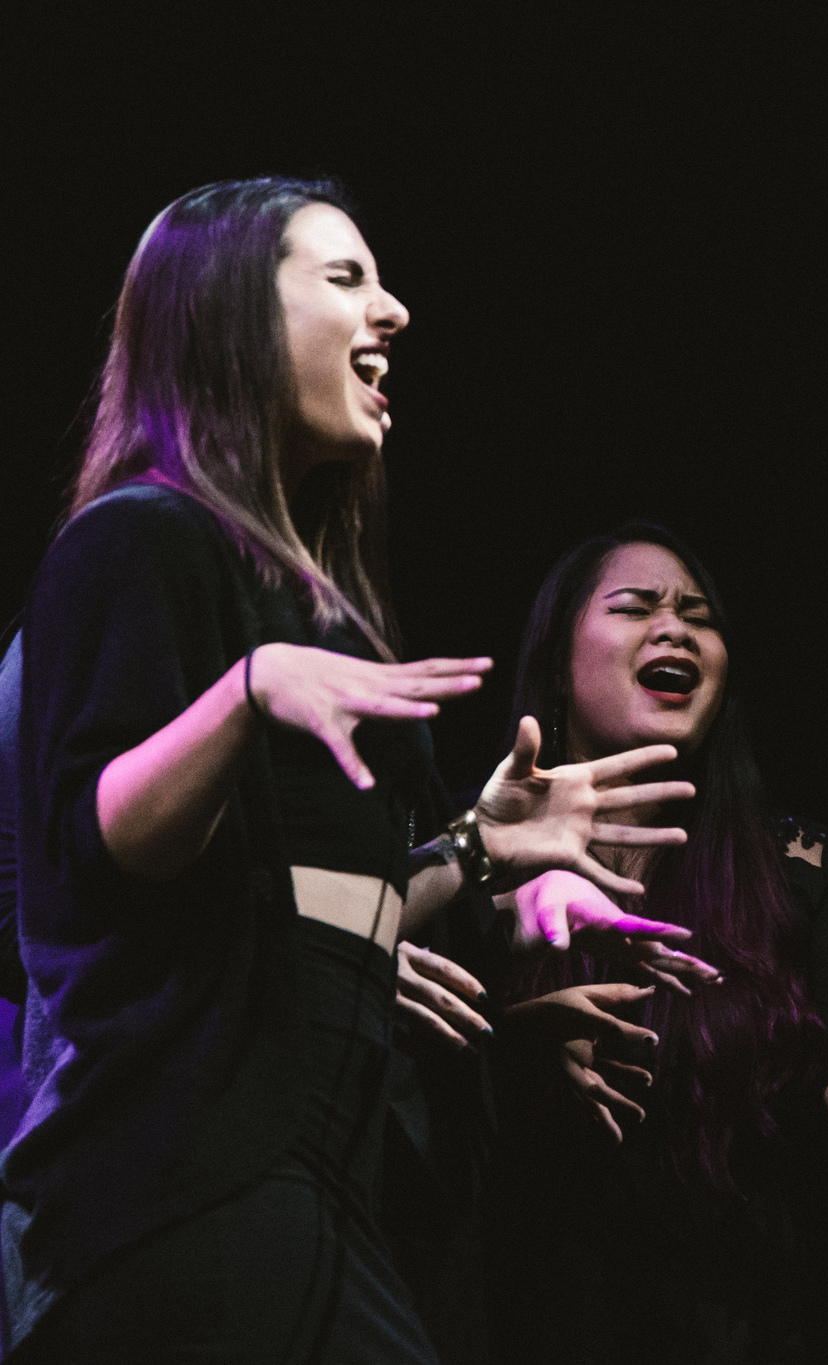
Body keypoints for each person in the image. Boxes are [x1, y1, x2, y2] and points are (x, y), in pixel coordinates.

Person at [4, 178, 703, 1361]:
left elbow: (315, 911)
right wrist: (244, 693)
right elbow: (96, 849)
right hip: (186, 1190)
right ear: (229, 317)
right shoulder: (139, 537)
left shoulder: (315, 612)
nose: (395, 312)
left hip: (323, 1180)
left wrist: (478, 849)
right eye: (345, 279)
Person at [475, 523, 828, 1364]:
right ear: (558, 663)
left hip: (737, 1318)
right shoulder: (472, 857)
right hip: (513, 1307)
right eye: (635, 607)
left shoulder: (802, 865)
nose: (675, 628)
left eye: (699, 613)